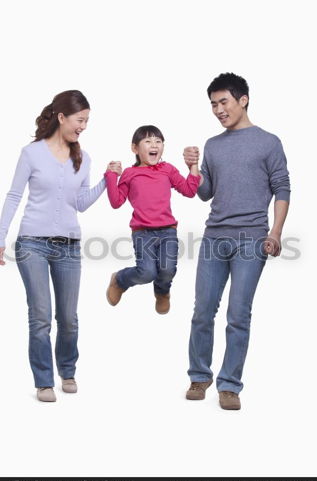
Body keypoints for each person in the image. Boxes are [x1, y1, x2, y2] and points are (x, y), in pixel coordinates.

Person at [184, 73, 290, 410]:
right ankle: (199, 376)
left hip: (252, 240)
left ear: (243, 99)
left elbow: (282, 188)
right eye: (213, 104)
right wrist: (194, 169)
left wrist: (275, 233)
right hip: (215, 238)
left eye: (223, 102)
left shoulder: (269, 142)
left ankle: (229, 385)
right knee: (203, 311)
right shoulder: (213, 145)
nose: (218, 109)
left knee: (238, 314)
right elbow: (205, 194)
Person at [0, 90, 110, 402]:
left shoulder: (83, 158)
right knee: (41, 316)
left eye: (87, 121)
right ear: (61, 117)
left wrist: (105, 180)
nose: (83, 126)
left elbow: (81, 202)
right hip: (31, 244)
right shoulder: (31, 153)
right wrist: (0, 235)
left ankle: (68, 370)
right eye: (79, 120)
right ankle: (44, 381)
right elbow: (13, 196)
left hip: (70, 247)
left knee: (69, 318)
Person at [105, 125, 202, 314]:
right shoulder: (130, 174)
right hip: (143, 233)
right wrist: (111, 176)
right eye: (148, 141)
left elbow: (189, 191)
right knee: (147, 272)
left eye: (158, 141)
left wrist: (193, 166)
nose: (154, 145)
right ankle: (120, 280)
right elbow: (116, 202)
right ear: (135, 148)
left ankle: (162, 292)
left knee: (167, 270)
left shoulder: (168, 169)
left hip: (168, 231)